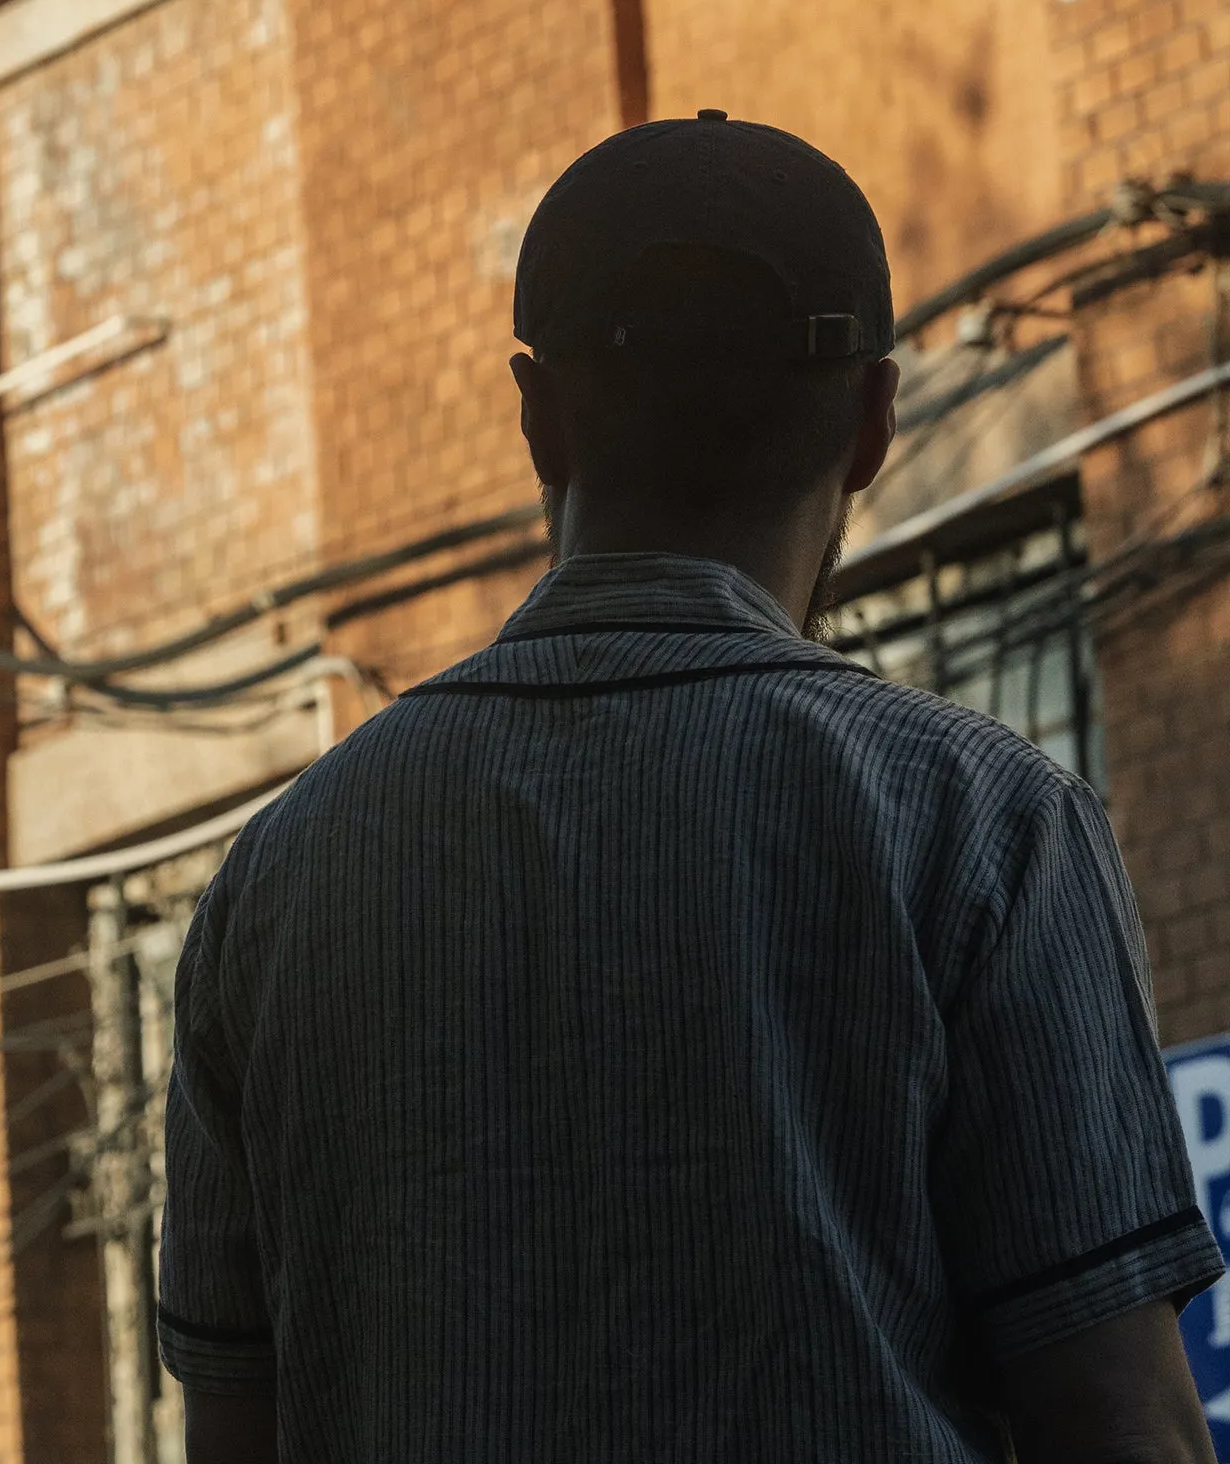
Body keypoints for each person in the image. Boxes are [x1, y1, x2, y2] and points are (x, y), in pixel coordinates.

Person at [157, 114, 1223, 1463]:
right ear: (876, 423)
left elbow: (232, 1433)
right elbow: (1123, 1425)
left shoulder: (276, 885)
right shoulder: (983, 827)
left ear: (537, 419)